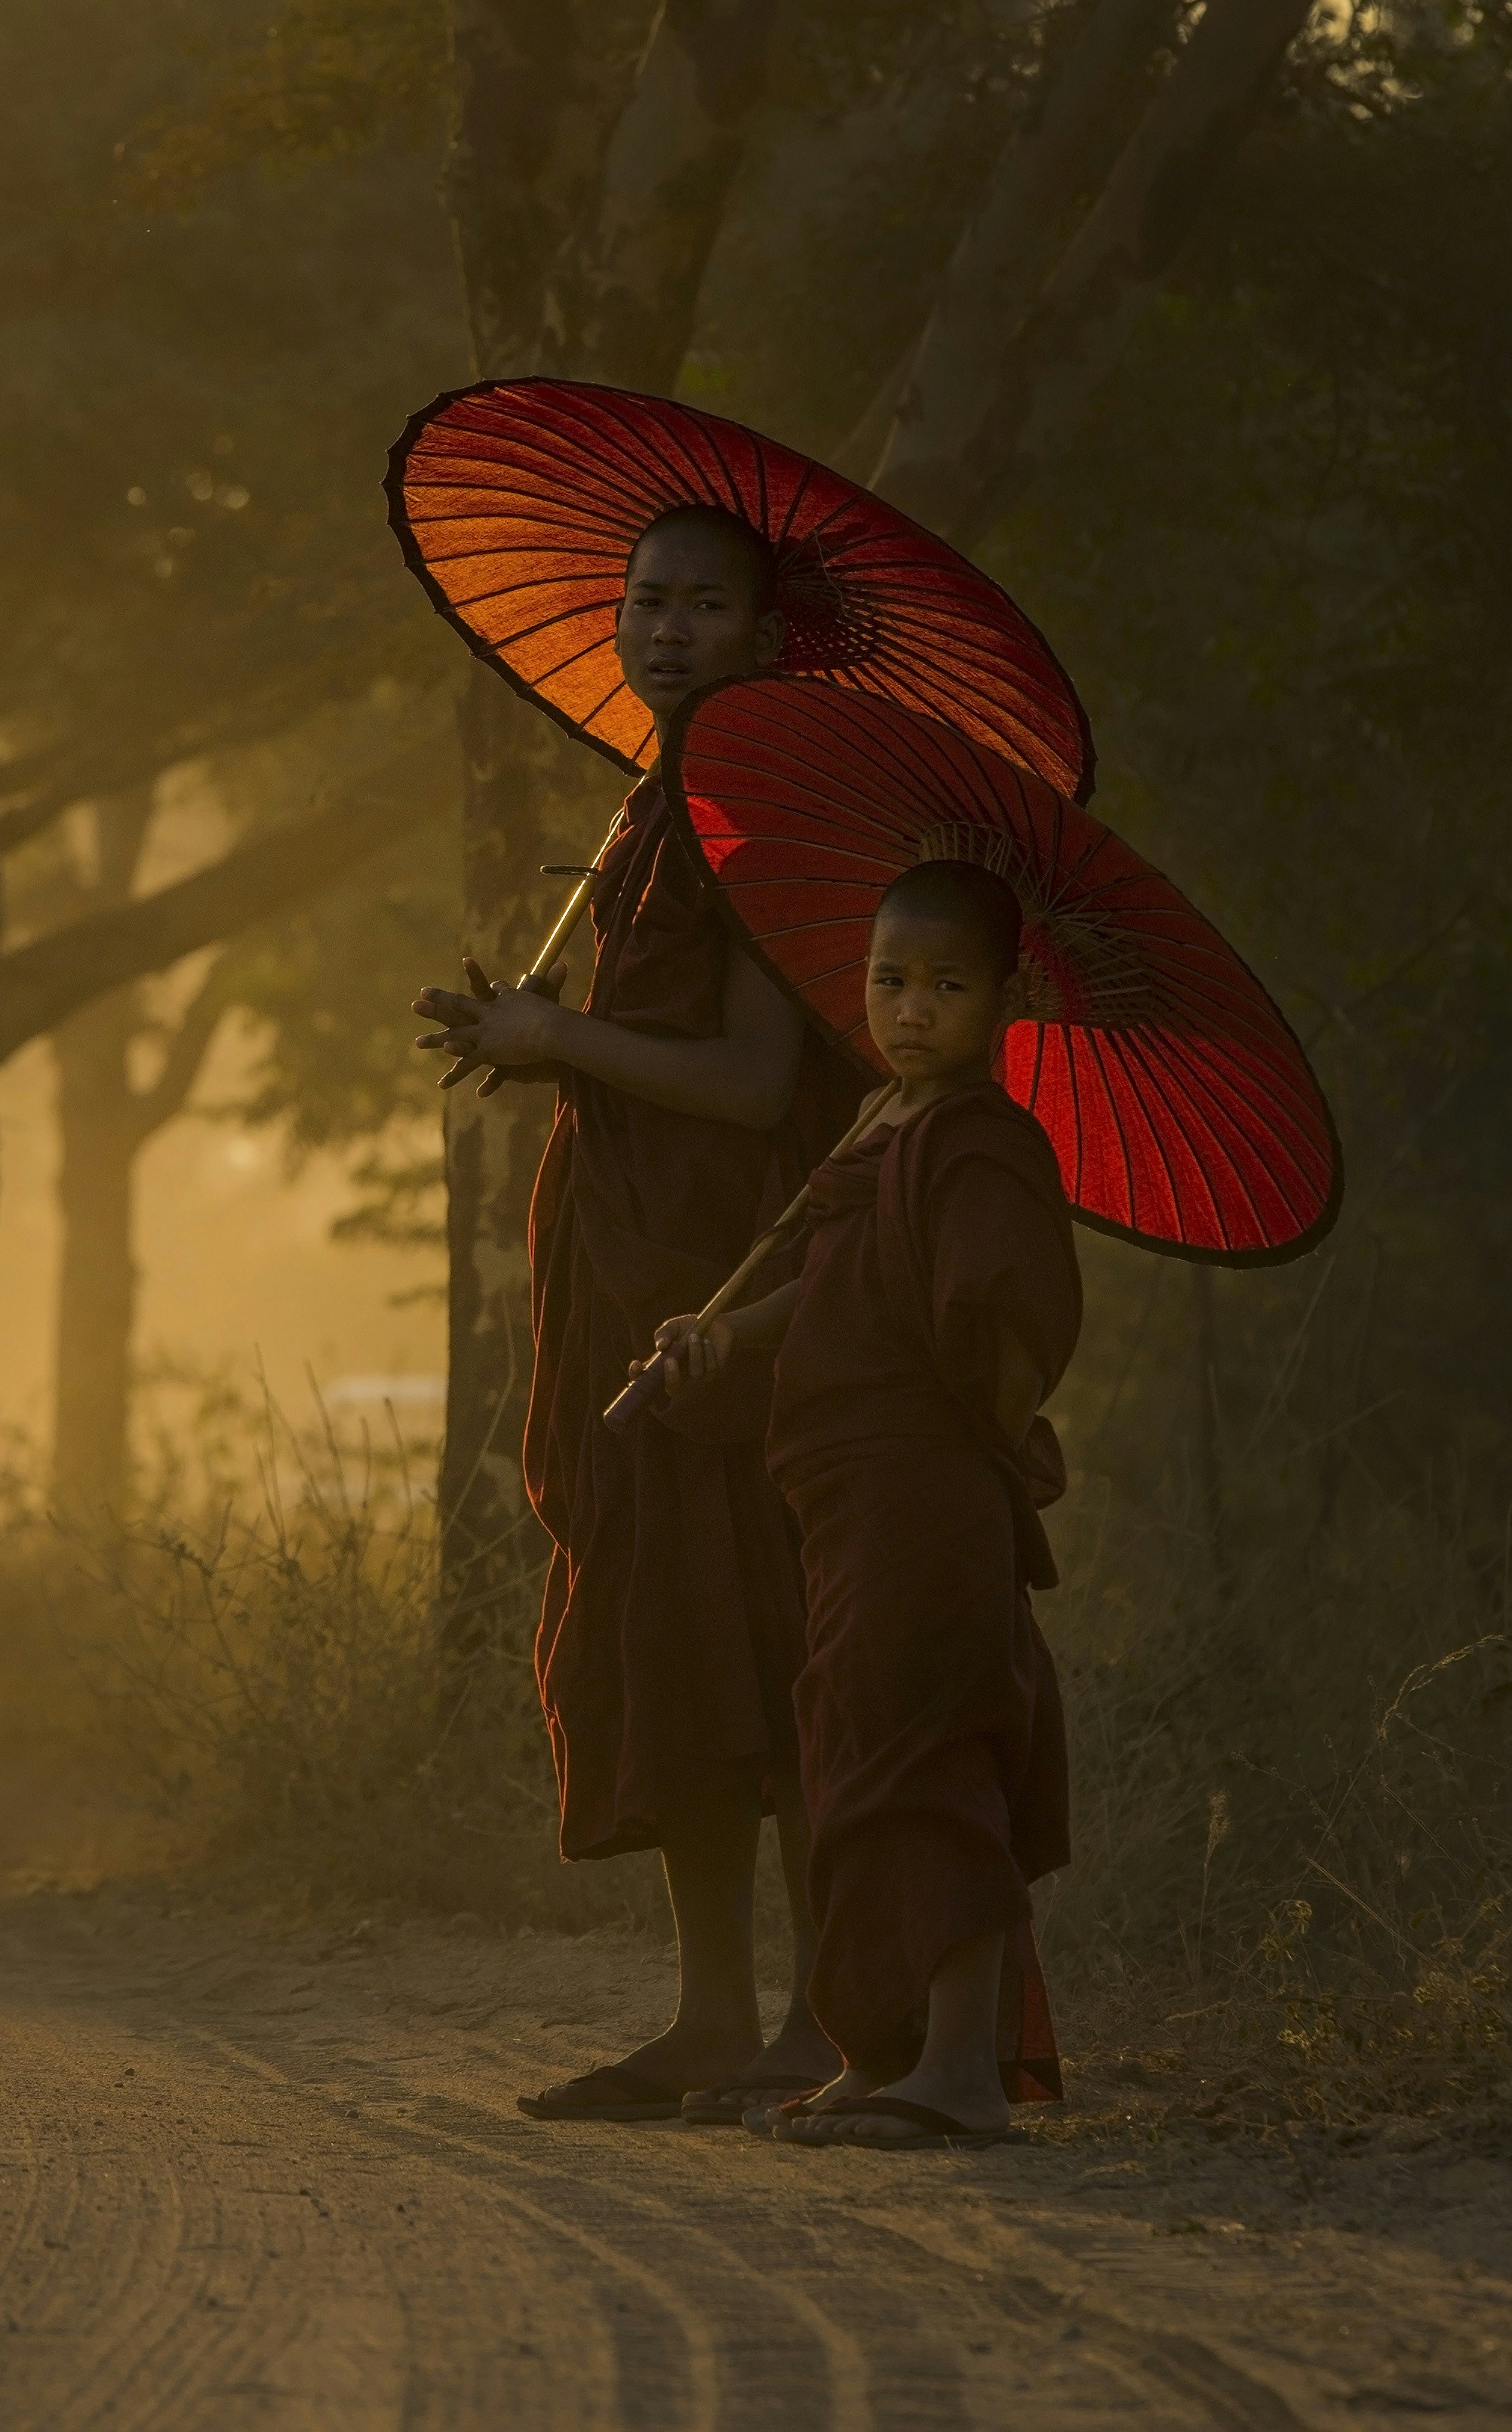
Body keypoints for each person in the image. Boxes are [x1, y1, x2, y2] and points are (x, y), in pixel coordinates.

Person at [413, 506, 862, 2124]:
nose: (667, 630)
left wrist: (568, 1044)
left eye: (705, 605)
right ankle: (707, 2018)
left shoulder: (754, 805)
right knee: (664, 1624)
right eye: (647, 601)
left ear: (763, 631)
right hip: (629, 1263)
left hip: (728, 1281)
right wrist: (526, 1032)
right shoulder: (650, 805)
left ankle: (815, 2019)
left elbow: (752, 1087)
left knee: (761, 1621)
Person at [652, 855, 1082, 2146]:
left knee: (927, 1752)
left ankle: (958, 2072)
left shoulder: (984, 1142)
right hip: (841, 1493)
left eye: (949, 986)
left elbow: (999, 1319)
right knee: (844, 1755)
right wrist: (723, 1337)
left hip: (924, 1490)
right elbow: (845, 1286)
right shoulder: (881, 1125)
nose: (912, 1011)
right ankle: (877, 2045)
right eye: (891, 981)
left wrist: (997, 1440)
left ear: (1008, 994)